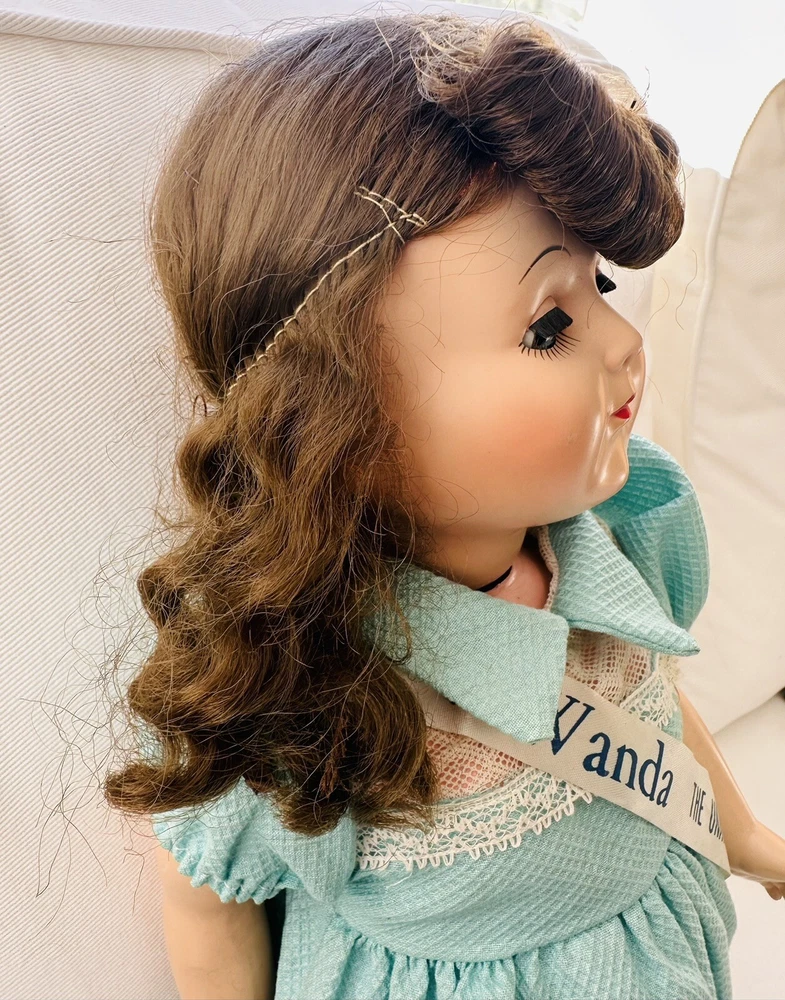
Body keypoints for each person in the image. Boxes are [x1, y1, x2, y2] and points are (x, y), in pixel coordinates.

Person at [104, 11, 785, 999]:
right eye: (548, 325)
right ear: (334, 413)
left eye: (598, 285)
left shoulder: (614, 536)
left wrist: (745, 833)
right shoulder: (304, 678)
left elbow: (650, 710)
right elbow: (207, 901)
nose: (622, 342)